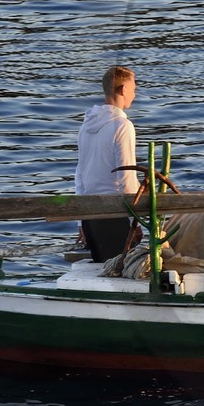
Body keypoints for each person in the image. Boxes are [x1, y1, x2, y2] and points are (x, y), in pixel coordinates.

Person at [74, 65, 138, 261]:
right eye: (134, 89)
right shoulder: (122, 126)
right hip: (114, 214)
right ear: (124, 89)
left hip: (90, 214)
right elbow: (127, 177)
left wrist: (80, 221)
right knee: (121, 271)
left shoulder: (85, 126)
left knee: (101, 269)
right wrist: (136, 222)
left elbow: (80, 176)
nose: (134, 95)